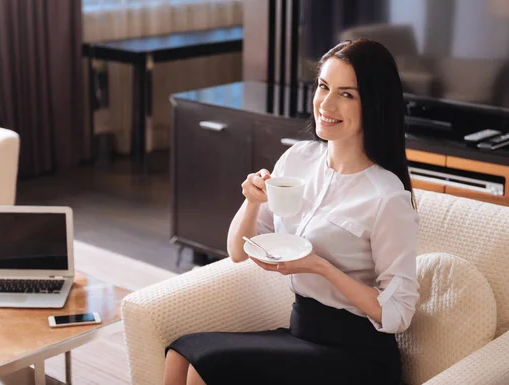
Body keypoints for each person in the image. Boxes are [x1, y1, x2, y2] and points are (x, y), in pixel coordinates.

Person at [163, 39, 419, 385]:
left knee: (205, 369)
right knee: (180, 354)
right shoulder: (297, 160)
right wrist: (252, 200)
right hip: (302, 331)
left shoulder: (387, 196)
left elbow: (398, 313)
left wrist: (320, 267)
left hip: (357, 355)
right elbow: (239, 251)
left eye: (346, 94)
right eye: (323, 87)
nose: (325, 104)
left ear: (373, 105)